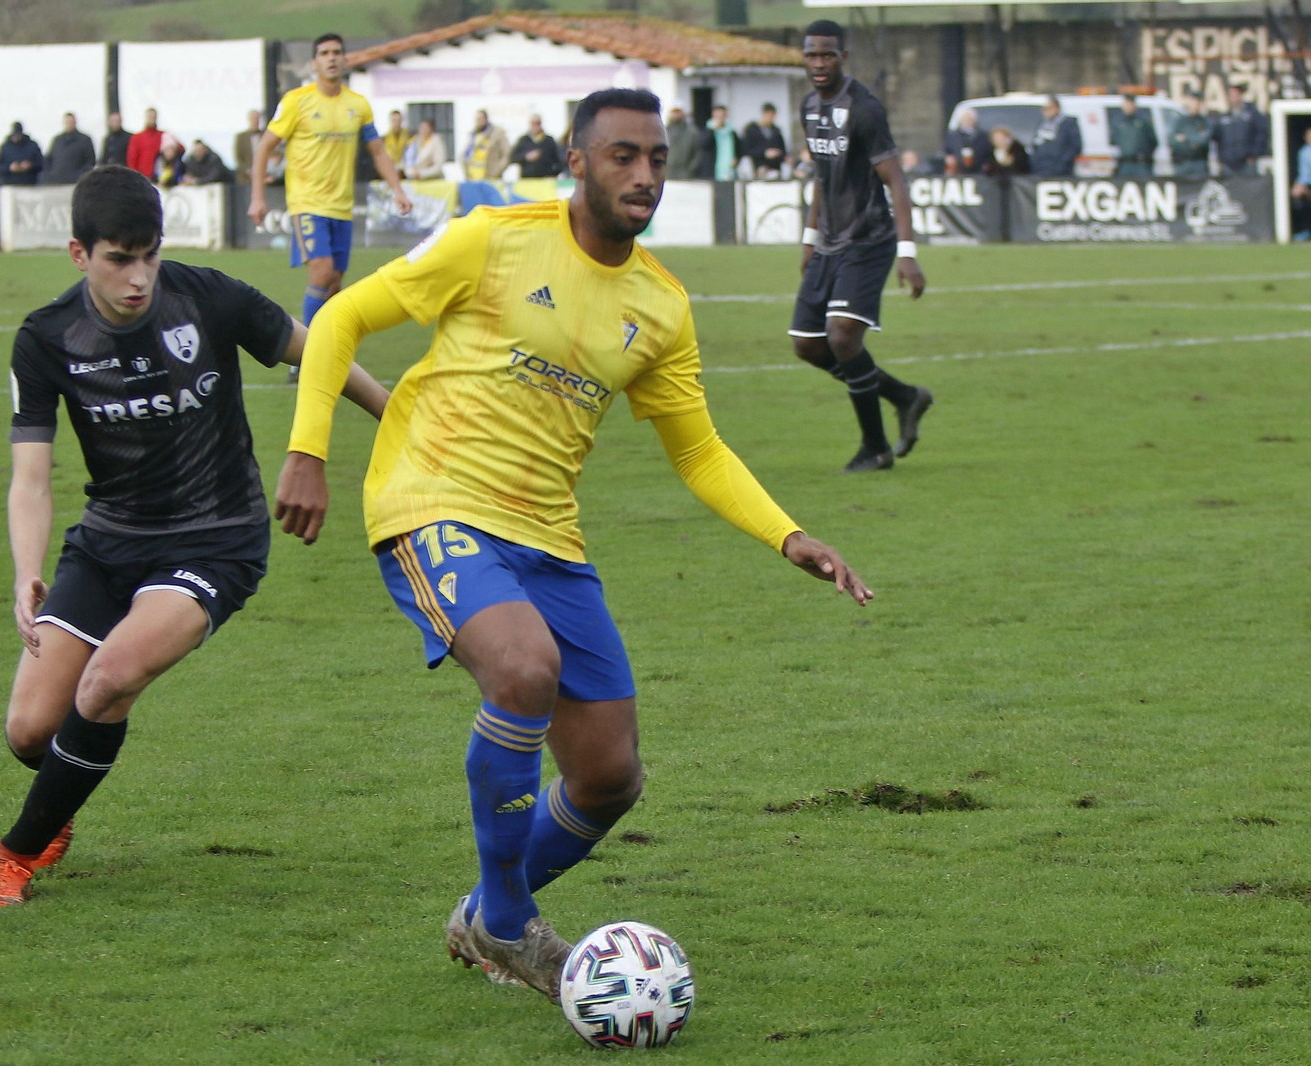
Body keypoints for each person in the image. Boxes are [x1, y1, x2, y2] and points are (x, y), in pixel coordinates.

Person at [272, 86, 873, 1002]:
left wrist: (787, 535)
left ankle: (484, 913)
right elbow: (343, 316)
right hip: (430, 498)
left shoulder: (661, 306)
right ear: (578, 161)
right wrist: (307, 451)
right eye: (624, 156)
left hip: (546, 532)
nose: (645, 175)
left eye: (658, 160)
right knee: (521, 671)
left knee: (609, 777)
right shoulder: (495, 239)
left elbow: (698, 448)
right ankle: (510, 925)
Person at [0, 164, 389, 909]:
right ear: (78, 254)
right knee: (30, 732)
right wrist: (26, 571)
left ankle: (14, 856)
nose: (138, 277)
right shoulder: (46, 338)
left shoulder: (209, 298)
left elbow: (315, 348)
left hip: (214, 541)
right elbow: (30, 477)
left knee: (109, 679)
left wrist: (401, 417)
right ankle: (56, 802)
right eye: (118, 259)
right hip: (107, 545)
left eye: (149, 255)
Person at [792, 19, 932, 473]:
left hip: (869, 240)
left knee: (843, 337)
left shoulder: (865, 108)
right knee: (809, 346)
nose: (818, 63)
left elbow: (897, 180)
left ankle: (875, 447)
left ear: (843, 58)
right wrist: (810, 238)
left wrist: (907, 253)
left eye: (827, 55)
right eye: (811, 54)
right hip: (830, 241)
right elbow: (821, 175)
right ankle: (905, 396)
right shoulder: (809, 106)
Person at [247, 32, 411, 384]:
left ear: (345, 60)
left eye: (337, 52)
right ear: (314, 62)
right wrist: (258, 197)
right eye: (324, 53)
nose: (332, 58)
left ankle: (322, 346)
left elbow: (378, 151)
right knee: (321, 274)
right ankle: (303, 356)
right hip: (306, 203)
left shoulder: (358, 105)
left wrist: (397, 188)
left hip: (342, 208)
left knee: (334, 284)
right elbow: (264, 148)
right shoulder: (297, 102)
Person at [1213, 85, 1268, 175]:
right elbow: (1217, 139)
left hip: (1247, 163)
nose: (1234, 98)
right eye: (1231, 95)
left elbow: (1261, 135)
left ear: (1241, 96)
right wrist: (1221, 158)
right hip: (1228, 164)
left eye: (1236, 95)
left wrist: (1254, 155)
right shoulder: (1224, 118)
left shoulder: (1252, 115)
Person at [1029, 95, 1081, 178]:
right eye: (1044, 109)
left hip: (1060, 172)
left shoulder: (1068, 124)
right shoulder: (1042, 124)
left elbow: (1075, 147)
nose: (1045, 112)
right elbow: (1035, 144)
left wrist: (1062, 164)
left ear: (1057, 109)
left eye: (1048, 108)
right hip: (1040, 170)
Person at [44, 112, 97, 185]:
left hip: (77, 182)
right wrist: (51, 174)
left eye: (71, 122)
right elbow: (48, 159)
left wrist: (80, 175)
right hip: (58, 182)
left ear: (75, 122)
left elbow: (90, 161)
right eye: (67, 122)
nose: (69, 124)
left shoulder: (85, 140)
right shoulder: (57, 140)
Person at [1169, 91, 1212, 178]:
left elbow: (1203, 141)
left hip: (1199, 163)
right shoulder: (1180, 121)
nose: (1196, 104)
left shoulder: (1204, 122)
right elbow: (1173, 141)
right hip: (1182, 163)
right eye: (1193, 101)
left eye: (1198, 101)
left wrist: (1186, 138)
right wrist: (1193, 141)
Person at [1111, 95, 1156, 178]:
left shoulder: (1143, 122)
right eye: (1126, 104)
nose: (1127, 106)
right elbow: (1114, 141)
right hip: (1124, 164)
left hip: (1140, 163)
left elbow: (1153, 141)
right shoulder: (1118, 122)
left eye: (1130, 104)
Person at [741, 102, 787, 179]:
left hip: (774, 168)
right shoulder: (751, 130)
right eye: (769, 116)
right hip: (757, 166)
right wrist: (764, 153)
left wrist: (778, 153)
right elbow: (746, 150)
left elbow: (783, 149)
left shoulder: (776, 131)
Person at [463, 110, 510, 180]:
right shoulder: (473, 135)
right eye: (477, 119)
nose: (478, 121)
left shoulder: (497, 134)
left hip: (490, 176)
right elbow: (466, 154)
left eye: (480, 119)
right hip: (472, 177)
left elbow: (507, 154)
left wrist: (497, 171)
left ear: (486, 119)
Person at [943, 108, 988, 175]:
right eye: (965, 118)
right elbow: (947, 151)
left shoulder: (982, 136)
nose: (967, 121)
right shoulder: (953, 136)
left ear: (974, 120)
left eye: (969, 118)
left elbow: (987, 153)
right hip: (958, 172)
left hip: (978, 171)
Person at [126, 109, 163, 179]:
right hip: (143, 176)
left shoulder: (163, 135)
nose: (151, 120)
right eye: (150, 117)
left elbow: (180, 148)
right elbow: (132, 159)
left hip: (159, 177)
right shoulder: (137, 138)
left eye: (153, 117)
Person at [664, 106, 698, 180]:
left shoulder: (692, 132)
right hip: (667, 173)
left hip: (685, 173)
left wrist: (691, 170)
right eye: (674, 112)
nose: (676, 115)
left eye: (678, 112)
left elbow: (698, 153)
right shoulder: (664, 131)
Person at [707, 105, 739, 181]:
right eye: (717, 116)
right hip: (713, 170)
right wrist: (712, 130)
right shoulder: (708, 130)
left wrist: (737, 159)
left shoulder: (731, 132)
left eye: (722, 116)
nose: (720, 118)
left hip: (729, 170)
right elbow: (703, 145)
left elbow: (738, 149)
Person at [1291, 126, 1311, 241]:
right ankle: (1304, 230)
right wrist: (1300, 185)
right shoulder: (1303, 152)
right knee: (1297, 197)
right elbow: (1303, 173)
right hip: (1308, 184)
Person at [234, 109, 263, 179]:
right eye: (253, 119)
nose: (255, 121)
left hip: (264, 175)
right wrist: (248, 171)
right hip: (246, 178)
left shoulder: (265, 135)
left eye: (257, 118)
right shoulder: (241, 137)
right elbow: (238, 157)